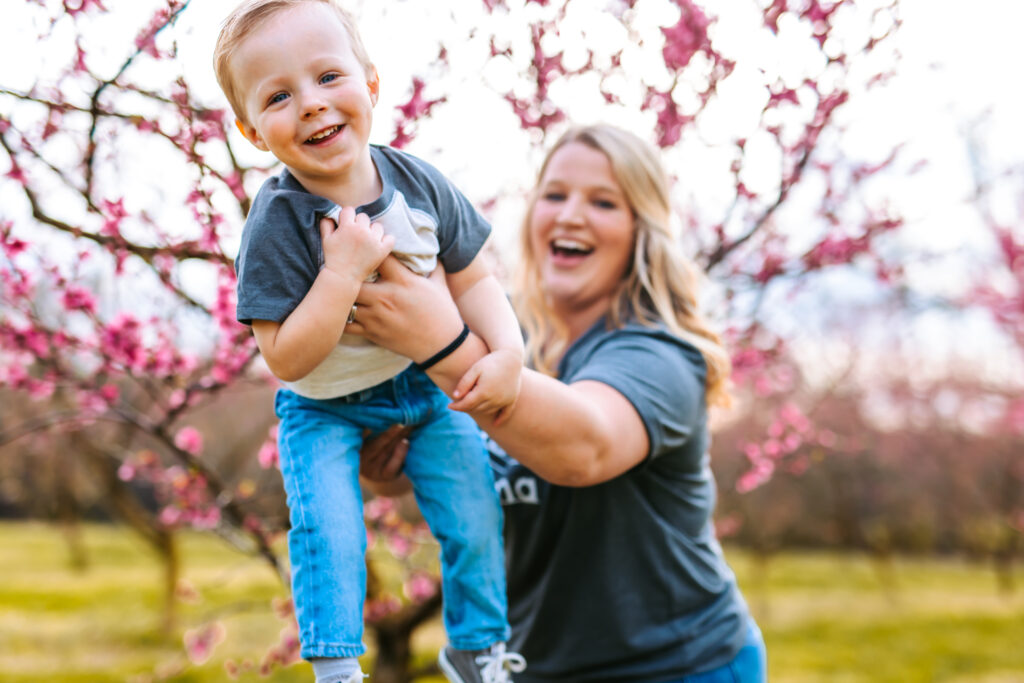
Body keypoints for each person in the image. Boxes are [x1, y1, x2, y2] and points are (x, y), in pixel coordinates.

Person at [352, 124, 768, 682]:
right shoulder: (506, 335)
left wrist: (439, 342)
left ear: (641, 229)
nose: (571, 214)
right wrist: (391, 468)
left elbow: (582, 448)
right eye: (555, 195)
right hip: (537, 667)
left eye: (602, 201)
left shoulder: (662, 355)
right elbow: (457, 450)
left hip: (677, 665)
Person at [212, 2, 526, 682]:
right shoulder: (278, 223)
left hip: (424, 391)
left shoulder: (418, 184)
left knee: (474, 513)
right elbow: (287, 358)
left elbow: (475, 277)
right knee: (330, 534)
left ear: (372, 83)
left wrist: (507, 352)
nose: (313, 105)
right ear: (252, 130)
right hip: (323, 408)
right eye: (279, 96)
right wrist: (342, 271)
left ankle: (479, 650)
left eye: (329, 77)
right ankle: (337, 667)